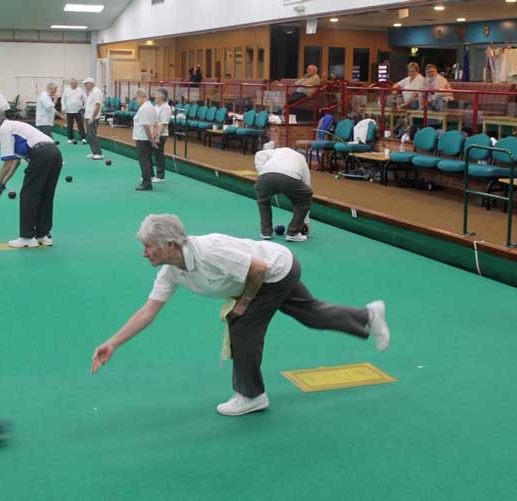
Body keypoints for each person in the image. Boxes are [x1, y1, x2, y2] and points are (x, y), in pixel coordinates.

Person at [90, 214, 390, 416]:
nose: (144, 253)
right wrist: (113, 343)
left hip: (276, 271)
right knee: (310, 314)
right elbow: (147, 312)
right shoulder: (172, 270)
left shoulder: (209, 251)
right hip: (266, 272)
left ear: (170, 245)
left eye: (148, 247)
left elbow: (258, 268)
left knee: (242, 325)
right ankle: (367, 315)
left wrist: (244, 303)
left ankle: (251, 395)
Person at [0, 107, 63, 248]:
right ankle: (43, 235)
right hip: (54, 153)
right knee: (45, 195)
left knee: (28, 195)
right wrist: (3, 184)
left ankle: (27, 237)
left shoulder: (4, 128)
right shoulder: (13, 127)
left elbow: (7, 161)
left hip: (41, 154)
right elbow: (16, 162)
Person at [254, 148, 311, 242]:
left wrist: (262, 174)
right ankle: (293, 232)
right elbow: (307, 186)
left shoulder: (275, 151)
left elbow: (258, 154)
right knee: (305, 196)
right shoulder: (301, 158)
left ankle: (265, 232)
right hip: (289, 177)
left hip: (264, 177)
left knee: (263, 201)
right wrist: (306, 221)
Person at [132, 89, 158, 191]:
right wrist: (154, 138)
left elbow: (146, 126)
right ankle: (149, 178)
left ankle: (146, 183)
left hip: (143, 138)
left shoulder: (143, 108)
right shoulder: (151, 106)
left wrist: (152, 140)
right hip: (146, 137)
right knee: (147, 159)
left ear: (141, 97)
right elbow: (155, 123)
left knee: (144, 161)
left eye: (136, 98)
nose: (135, 101)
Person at [152, 87, 171, 184]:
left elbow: (164, 124)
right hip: (153, 133)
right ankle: (151, 174)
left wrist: (157, 135)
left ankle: (160, 176)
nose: (154, 96)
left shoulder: (166, 108)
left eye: (156, 94)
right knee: (153, 154)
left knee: (159, 154)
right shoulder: (156, 106)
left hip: (161, 134)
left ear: (161, 96)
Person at [83, 77, 104, 160]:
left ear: (90, 84)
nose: (85, 86)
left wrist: (92, 117)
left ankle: (98, 153)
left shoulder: (96, 92)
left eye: (85, 84)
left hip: (92, 118)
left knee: (92, 135)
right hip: (88, 117)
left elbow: (97, 105)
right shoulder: (92, 92)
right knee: (90, 135)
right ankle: (94, 152)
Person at [62, 78, 87, 145]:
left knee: (80, 125)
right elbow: (63, 100)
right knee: (70, 125)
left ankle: (83, 138)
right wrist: (63, 108)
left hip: (78, 111)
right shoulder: (66, 90)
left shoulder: (80, 90)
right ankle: (70, 139)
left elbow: (85, 99)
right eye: (73, 83)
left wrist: (84, 107)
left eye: (75, 83)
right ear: (70, 84)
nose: (74, 84)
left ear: (77, 84)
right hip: (69, 111)